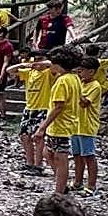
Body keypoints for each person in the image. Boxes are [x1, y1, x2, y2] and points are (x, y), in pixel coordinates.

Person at [32, 46, 82, 196]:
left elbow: (58, 107)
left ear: (58, 64)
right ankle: (62, 184)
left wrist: (42, 127)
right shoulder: (74, 78)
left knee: (61, 158)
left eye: (52, 62)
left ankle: (59, 191)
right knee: (48, 153)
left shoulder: (62, 81)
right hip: (64, 124)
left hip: (61, 125)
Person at [7, 52, 52, 177]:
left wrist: (40, 63)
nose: (37, 62)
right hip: (29, 108)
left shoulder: (48, 73)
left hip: (43, 108)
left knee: (38, 138)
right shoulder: (29, 72)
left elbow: (51, 64)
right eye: (35, 59)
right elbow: (9, 70)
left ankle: (38, 165)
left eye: (40, 59)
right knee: (24, 136)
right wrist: (25, 64)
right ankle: (29, 163)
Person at [72, 57, 105, 196]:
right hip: (75, 125)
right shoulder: (82, 83)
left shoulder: (95, 86)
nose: (80, 74)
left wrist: (77, 89)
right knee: (77, 155)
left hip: (87, 125)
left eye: (82, 71)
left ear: (91, 71)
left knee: (89, 156)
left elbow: (85, 103)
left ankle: (91, 185)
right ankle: (77, 182)